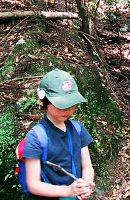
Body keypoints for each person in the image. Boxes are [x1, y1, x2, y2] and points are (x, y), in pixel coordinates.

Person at [23, 69, 95, 200]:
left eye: (71, 103)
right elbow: (33, 184)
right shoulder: (36, 137)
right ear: (42, 100)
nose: (67, 109)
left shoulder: (78, 129)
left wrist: (86, 183)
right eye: (61, 104)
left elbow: (87, 166)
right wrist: (67, 191)